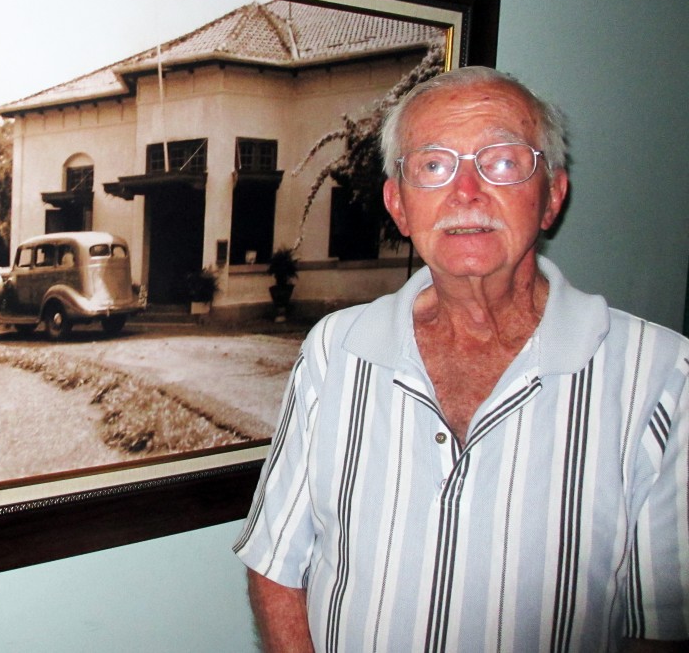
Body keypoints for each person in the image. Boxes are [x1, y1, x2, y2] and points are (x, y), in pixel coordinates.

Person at [233, 66, 689, 652]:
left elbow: (662, 627)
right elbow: (276, 561)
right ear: (399, 206)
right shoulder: (334, 348)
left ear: (551, 196)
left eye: (501, 161)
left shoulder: (660, 377)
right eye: (433, 165)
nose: (466, 193)